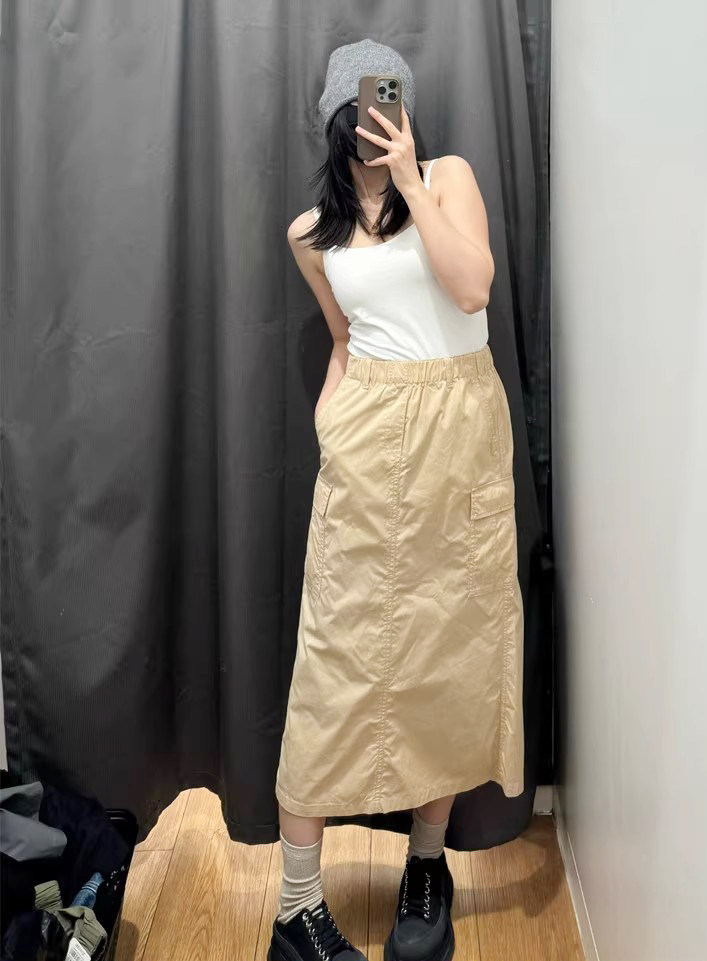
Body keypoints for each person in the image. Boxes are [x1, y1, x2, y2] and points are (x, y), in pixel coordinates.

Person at [268, 38, 525, 961]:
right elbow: (344, 341)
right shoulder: (311, 233)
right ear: (336, 121)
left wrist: (412, 179)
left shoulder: (447, 179)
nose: (376, 123)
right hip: (370, 441)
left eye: (392, 105)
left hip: (463, 436)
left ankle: (426, 864)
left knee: (448, 648)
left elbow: (473, 288)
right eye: (363, 111)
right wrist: (332, 427)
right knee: (335, 659)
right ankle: (296, 906)